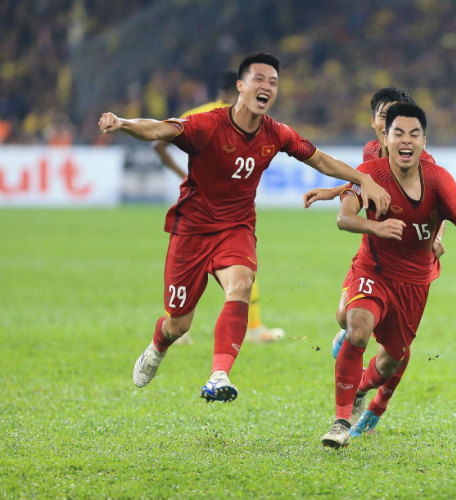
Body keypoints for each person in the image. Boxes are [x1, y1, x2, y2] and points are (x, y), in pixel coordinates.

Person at [98, 52, 391, 403]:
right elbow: (160, 128)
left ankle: (219, 374)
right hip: (191, 231)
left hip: (235, 228)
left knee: (241, 284)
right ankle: (158, 346)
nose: (267, 87)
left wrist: (362, 177)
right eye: (260, 79)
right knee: (178, 324)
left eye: (274, 83)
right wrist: (124, 123)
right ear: (240, 85)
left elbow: (320, 158)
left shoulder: (276, 133)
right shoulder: (208, 125)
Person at [321, 103, 456, 448]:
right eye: (398, 133)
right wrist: (374, 226)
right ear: (385, 138)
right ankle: (341, 422)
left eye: (414, 134)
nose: (406, 141)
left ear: (424, 140)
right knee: (357, 326)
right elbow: (344, 218)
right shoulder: (369, 172)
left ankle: (362, 389)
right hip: (373, 270)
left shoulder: (439, 179)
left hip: (413, 284)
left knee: (393, 358)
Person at [303, 88, 446, 436]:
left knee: (395, 350)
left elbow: (439, 202)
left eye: (396, 116)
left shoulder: (424, 162)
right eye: (384, 115)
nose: (389, 122)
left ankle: (372, 400)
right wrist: (333, 192)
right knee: (347, 320)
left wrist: (438, 239)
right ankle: (351, 397)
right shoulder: (371, 152)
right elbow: (365, 181)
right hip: (374, 257)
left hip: (412, 266)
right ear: (375, 122)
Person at [153, 69, 284, 344]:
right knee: (243, 266)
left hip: (206, 208)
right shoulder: (239, 119)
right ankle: (253, 327)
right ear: (239, 89)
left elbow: (158, 145)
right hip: (221, 209)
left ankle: (174, 324)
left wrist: (184, 175)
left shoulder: (196, 113)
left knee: (196, 267)